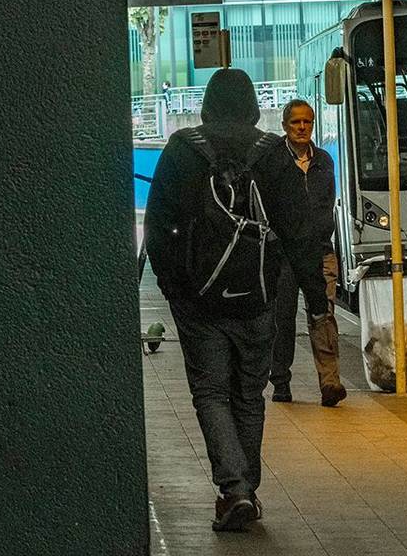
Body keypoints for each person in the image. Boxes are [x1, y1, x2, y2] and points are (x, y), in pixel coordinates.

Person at [144, 68, 287, 532]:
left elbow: (158, 224)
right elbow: (298, 227)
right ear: (252, 107)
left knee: (210, 393)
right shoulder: (273, 154)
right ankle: (246, 488)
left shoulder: (182, 152)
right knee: (249, 393)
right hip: (259, 299)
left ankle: (235, 490)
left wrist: (172, 285)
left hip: (198, 300)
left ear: (206, 105)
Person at [268, 99, 346, 407]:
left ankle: (330, 382)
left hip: (318, 252)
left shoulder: (324, 160)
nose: (302, 127)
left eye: (307, 122)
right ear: (285, 126)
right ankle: (281, 381)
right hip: (284, 255)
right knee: (282, 318)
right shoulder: (273, 161)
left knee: (323, 316)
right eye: (296, 122)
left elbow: (327, 203)